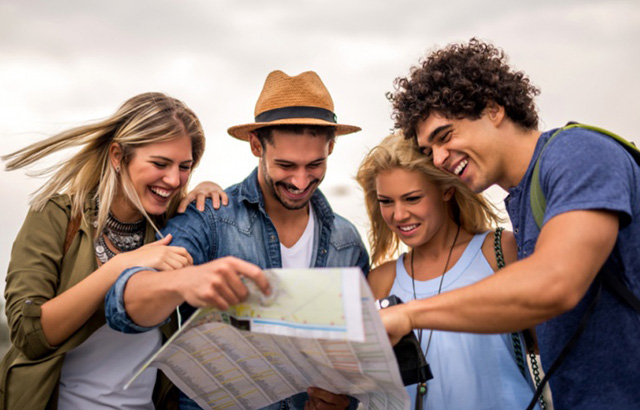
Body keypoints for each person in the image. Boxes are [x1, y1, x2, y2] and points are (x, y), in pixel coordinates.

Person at [381, 38, 640, 409]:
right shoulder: (524, 196)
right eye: (427, 150)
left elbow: (555, 282)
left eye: (445, 135)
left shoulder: (578, 153)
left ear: (493, 109)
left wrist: (407, 314)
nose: (438, 158)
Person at [105, 71, 369, 410]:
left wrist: (343, 399)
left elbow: (358, 357)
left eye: (315, 164)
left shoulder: (347, 242)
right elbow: (121, 306)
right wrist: (183, 281)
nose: (301, 181)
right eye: (286, 165)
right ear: (256, 146)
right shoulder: (209, 219)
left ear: (331, 147)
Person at [0, 92, 239, 410]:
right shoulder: (55, 215)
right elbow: (29, 336)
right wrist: (119, 267)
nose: (173, 179)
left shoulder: (174, 226)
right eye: (160, 163)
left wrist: (205, 189)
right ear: (117, 155)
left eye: (185, 166)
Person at [356, 132, 538, 409]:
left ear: (446, 189)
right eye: (386, 201)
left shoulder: (499, 251)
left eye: (413, 198)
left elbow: (548, 343)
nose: (399, 215)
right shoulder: (381, 280)